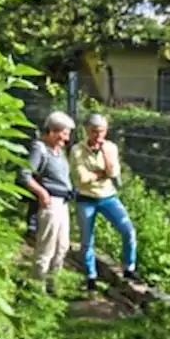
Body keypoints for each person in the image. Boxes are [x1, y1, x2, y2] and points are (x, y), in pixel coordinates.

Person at [71, 114, 139, 292]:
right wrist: (101, 174)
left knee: (128, 230)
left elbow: (114, 172)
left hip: (108, 196)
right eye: (94, 131)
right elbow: (81, 178)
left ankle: (129, 268)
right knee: (87, 240)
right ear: (87, 130)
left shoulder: (111, 147)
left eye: (101, 131)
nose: (98, 136)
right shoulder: (78, 150)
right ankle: (91, 277)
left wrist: (105, 155)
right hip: (86, 199)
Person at [19, 112, 76, 287]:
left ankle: (53, 284)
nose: (65, 139)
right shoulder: (40, 148)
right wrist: (42, 193)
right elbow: (24, 174)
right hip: (49, 203)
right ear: (51, 131)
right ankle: (38, 287)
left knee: (62, 247)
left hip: (62, 203)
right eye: (63, 134)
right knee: (46, 248)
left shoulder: (58, 151)